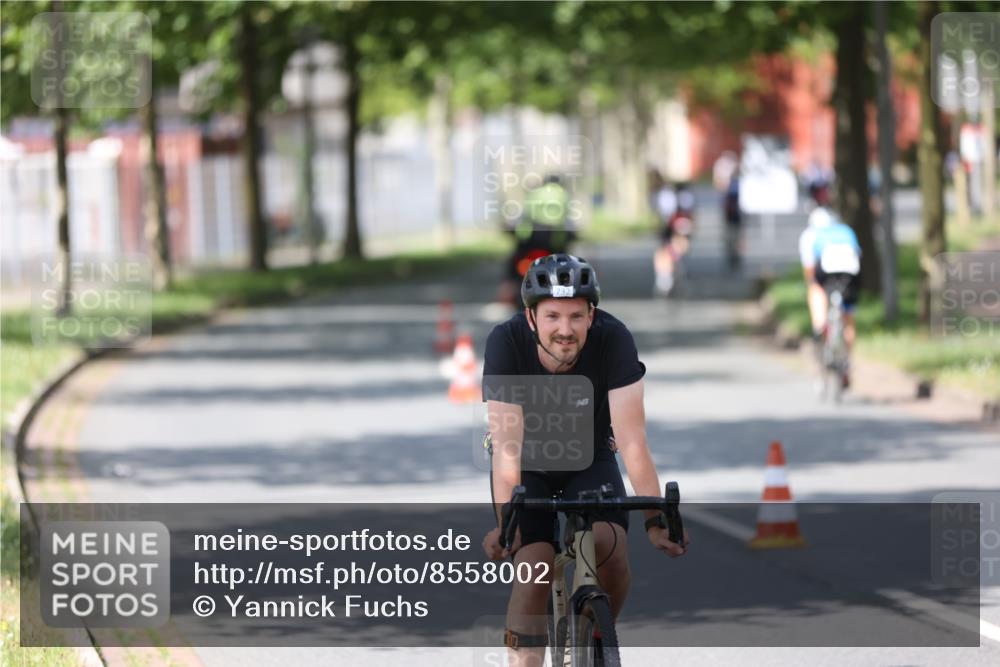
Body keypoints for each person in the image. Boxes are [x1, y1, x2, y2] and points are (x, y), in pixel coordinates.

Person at [481, 254, 688, 667]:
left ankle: (595, 634)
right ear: (531, 318)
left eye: (576, 316)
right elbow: (506, 449)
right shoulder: (505, 343)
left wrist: (653, 520)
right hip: (527, 463)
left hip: (590, 456)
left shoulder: (615, 339)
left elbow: (631, 441)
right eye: (553, 316)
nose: (565, 329)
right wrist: (506, 526)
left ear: (592, 315)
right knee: (535, 568)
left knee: (611, 548)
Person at [798, 183, 862, 389]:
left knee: (815, 289)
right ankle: (847, 362)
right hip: (850, 272)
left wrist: (813, 286)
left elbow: (809, 269)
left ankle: (820, 325)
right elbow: (858, 255)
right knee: (848, 317)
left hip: (825, 271)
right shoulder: (846, 230)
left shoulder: (810, 235)